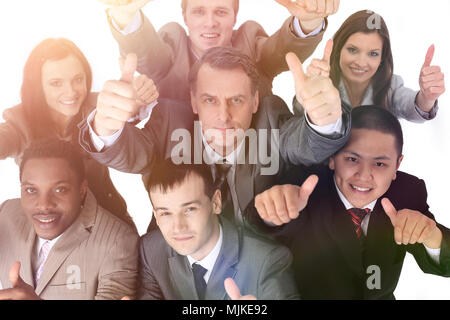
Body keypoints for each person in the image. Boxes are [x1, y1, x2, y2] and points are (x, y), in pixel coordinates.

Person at [79, 46, 350, 227]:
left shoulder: (270, 116)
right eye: (210, 100)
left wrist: (323, 119)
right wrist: (107, 125)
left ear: (255, 102)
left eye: (237, 100)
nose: (223, 115)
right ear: (194, 103)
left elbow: (304, 143)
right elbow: (133, 153)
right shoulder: (171, 121)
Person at [251, 106, 450, 299]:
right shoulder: (305, 186)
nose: (364, 176)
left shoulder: (408, 192)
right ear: (332, 158)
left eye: (379, 163)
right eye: (352, 159)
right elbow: (258, 224)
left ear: (397, 165)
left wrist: (430, 236)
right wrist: (272, 212)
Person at [0, 38, 158, 225]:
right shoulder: (21, 121)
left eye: (77, 80)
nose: (71, 92)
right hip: (52, 227)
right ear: (38, 87)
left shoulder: (96, 106)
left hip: (107, 222)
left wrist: (134, 103)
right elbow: (6, 138)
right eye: (56, 83)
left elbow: (117, 115)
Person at [99, 0, 340, 103]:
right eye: (199, 11)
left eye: (221, 12)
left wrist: (308, 22)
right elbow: (148, 54)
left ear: (235, 16)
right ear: (184, 16)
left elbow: (278, 52)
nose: (210, 22)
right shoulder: (171, 45)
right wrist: (125, 16)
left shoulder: (249, 41)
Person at [136, 160, 299, 300]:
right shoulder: (150, 250)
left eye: (190, 209)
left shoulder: (268, 260)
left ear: (216, 203)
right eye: (165, 213)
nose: (178, 227)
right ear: (155, 216)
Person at [0, 139, 139, 300]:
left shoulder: (118, 241)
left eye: (60, 189)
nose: (44, 205)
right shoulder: (6, 213)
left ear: (82, 190)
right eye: (31, 190)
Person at [306, 10, 445, 122]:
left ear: (382, 59)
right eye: (353, 50)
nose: (361, 62)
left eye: (373, 54)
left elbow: (410, 105)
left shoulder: (392, 85)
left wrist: (427, 98)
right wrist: (312, 89)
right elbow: (300, 115)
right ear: (338, 49)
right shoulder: (322, 78)